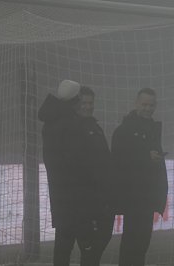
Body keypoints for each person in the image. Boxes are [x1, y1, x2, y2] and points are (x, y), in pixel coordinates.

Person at [39, 80, 115, 266]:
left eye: (91, 103)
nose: (87, 106)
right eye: (83, 102)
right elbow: (81, 166)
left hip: (64, 201)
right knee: (89, 249)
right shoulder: (72, 126)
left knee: (64, 249)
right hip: (80, 203)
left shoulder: (53, 123)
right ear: (75, 102)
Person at [111, 88, 168, 266]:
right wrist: (146, 157)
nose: (147, 108)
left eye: (151, 105)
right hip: (133, 198)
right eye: (144, 104)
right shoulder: (123, 130)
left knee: (142, 245)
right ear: (136, 104)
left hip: (147, 198)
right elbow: (118, 160)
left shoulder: (152, 129)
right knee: (131, 244)